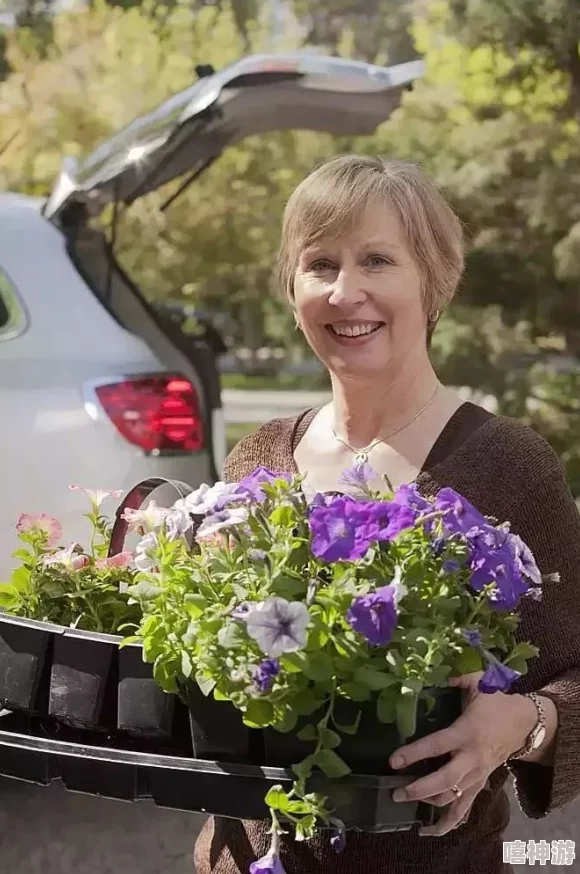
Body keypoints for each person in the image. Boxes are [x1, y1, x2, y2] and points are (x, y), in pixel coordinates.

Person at [193, 155, 580, 874]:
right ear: (291, 286)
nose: (347, 293)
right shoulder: (257, 463)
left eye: (377, 260)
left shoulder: (506, 466)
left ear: (433, 281)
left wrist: (523, 725)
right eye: (319, 265)